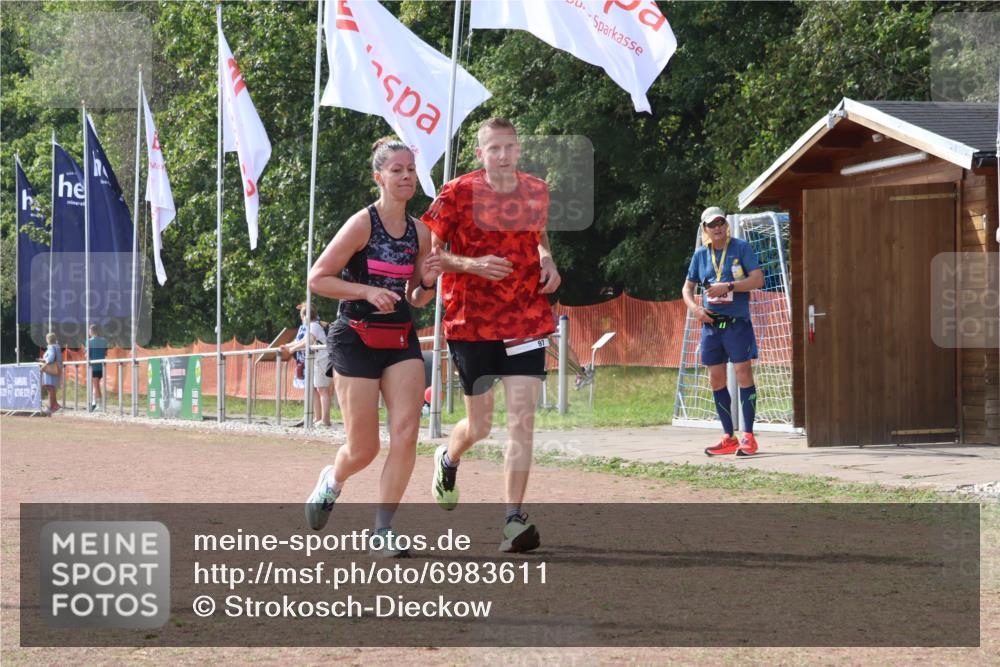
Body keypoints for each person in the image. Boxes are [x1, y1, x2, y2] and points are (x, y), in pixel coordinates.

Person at [422, 117, 560, 553]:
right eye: (493, 149)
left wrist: (547, 259)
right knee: (479, 424)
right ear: (480, 154)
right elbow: (432, 258)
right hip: (472, 322)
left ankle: (512, 521)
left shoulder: (536, 190)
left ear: (519, 150)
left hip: (525, 320)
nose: (502, 155)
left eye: (509, 147)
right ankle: (449, 457)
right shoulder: (456, 193)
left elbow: (538, 237)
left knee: (522, 421)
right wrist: (473, 265)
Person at [304, 137, 442, 556]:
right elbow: (318, 278)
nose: (406, 177)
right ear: (378, 177)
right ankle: (332, 480)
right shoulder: (362, 223)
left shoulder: (421, 231)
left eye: (411, 170)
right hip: (356, 336)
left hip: (400, 336)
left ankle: (382, 529)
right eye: (397, 170)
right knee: (364, 449)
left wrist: (429, 283)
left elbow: (416, 297)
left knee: (405, 434)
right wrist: (366, 290)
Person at [681, 206, 765, 457]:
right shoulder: (700, 255)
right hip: (710, 324)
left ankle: (748, 436)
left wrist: (728, 285)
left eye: (721, 222)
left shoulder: (741, 248)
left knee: (742, 373)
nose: (717, 228)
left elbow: (758, 280)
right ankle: (728, 436)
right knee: (716, 378)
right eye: (712, 224)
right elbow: (686, 289)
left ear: (726, 225)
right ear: (705, 229)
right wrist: (696, 309)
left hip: (736, 322)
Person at [281, 304, 332, 427]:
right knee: (317, 389)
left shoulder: (314, 326)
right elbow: (302, 341)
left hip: (321, 360)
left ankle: (325, 420)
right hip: (317, 361)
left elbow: (307, 341)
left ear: (305, 316)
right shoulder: (312, 326)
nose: (301, 319)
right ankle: (318, 417)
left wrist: (292, 348)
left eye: (302, 316)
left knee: (322, 389)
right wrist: (289, 346)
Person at [87, 324, 107, 412]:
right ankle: (94, 403)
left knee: (96, 385)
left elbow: (87, 355)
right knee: (96, 385)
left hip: (94, 366)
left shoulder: (89, 341)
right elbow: (105, 353)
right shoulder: (104, 340)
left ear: (91, 331)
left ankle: (100, 405)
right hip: (101, 366)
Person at [41, 332, 62, 413]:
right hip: (57, 368)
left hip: (51, 368)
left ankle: (52, 406)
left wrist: (44, 360)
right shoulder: (57, 346)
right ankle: (54, 404)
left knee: (50, 387)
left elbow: (50, 358)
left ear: (48, 340)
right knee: (52, 387)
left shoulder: (51, 347)